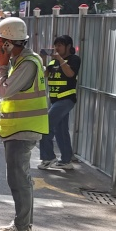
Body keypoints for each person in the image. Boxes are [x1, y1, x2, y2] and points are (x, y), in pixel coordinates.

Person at [0, 16, 49, 231]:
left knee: (19, 181)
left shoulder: (26, 64)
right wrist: (1, 122)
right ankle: (23, 226)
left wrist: (2, 66)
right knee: (21, 180)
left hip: (24, 131)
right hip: (19, 128)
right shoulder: (22, 61)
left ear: (8, 43)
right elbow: (14, 100)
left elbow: (4, 91)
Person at [38, 35, 80, 171]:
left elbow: (70, 74)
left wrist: (60, 60)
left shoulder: (74, 59)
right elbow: (43, 75)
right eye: (55, 45)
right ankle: (66, 160)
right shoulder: (53, 62)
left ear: (68, 46)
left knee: (45, 126)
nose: (56, 48)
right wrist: (42, 60)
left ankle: (48, 157)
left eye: (60, 45)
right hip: (55, 101)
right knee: (61, 130)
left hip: (66, 99)